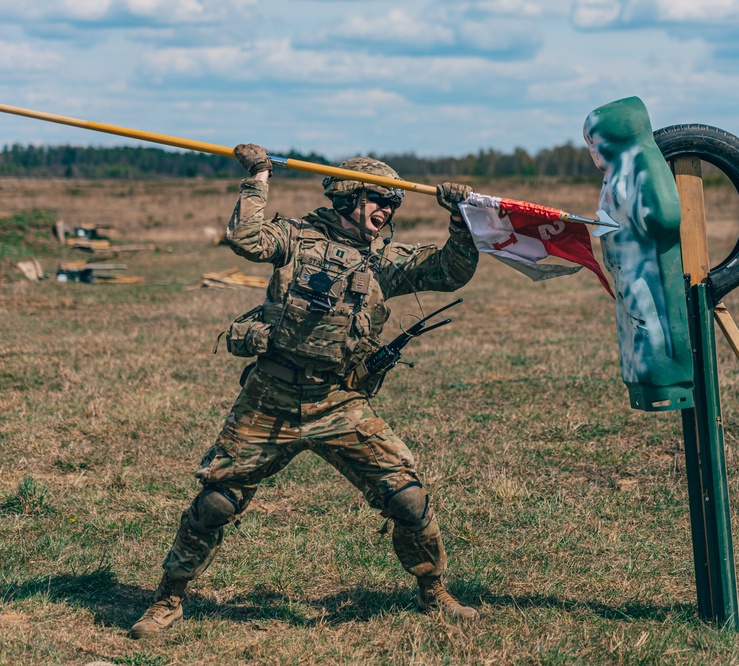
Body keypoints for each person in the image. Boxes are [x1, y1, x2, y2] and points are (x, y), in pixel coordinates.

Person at [129, 144, 480, 639]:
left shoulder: (384, 262)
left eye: (393, 203)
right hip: (270, 397)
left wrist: (462, 221)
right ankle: (168, 599)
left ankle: (434, 592)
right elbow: (245, 237)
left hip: (339, 401)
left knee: (407, 499)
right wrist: (258, 176)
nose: (386, 211)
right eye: (378, 200)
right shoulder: (296, 237)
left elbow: (450, 271)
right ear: (347, 196)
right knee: (217, 502)